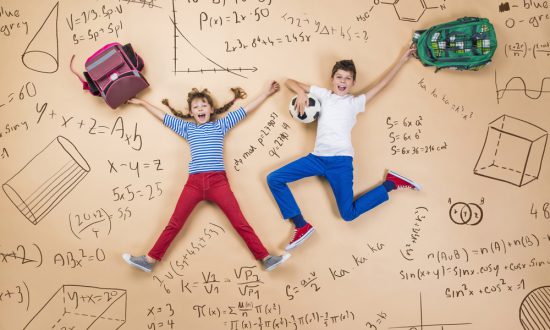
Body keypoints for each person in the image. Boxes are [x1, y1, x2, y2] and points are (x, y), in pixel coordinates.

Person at [123, 81, 290, 272]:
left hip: (218, 183)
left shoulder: (221, 125)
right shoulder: (187, 129)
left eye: (203, 106)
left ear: (211, 109)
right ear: (191, 112)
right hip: (193, 184)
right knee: (174, 223)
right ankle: (149, 260)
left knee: (239, 222)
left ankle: (266, 258)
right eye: (196, 107)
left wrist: (266, 93)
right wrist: (143, 103)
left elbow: (245, 110)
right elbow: (164, 117)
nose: (200, 109)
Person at [267, 45, 421, 251]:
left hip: (341, 162)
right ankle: (301, 225)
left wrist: (402, 59)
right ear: (332, 79)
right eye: (339, 77)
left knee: (348, 214)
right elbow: (289, 82)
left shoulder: (355, 102)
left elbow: (383, 83)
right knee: (274, 178)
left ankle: (391, 184)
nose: (343, 81)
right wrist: (301, 93)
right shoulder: (322, 95)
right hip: (317, 158)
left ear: (353, 83)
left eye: (348, 78)